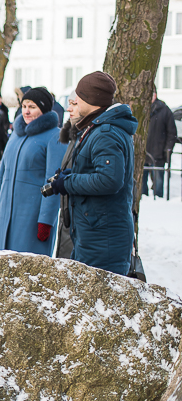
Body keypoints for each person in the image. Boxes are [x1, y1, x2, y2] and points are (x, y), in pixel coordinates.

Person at [49, 72, 136, 275]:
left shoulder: (106, 133)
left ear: (91, 99)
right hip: (96, 234)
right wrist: (73, 173)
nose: (74, 103)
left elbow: (109, 180)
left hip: (103, 239)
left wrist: (68, 182)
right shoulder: (100, 128)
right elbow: (102, 171)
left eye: (78, 97)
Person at [0, 87, 64, 255]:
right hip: (4, 216)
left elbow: (54, 181)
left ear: (43, 109)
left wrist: (46, 221)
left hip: (30, 219)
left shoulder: (55, 136)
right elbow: (1, 177)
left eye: (32, 107)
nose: (26, 111)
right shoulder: (16, 134)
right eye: (24, 106)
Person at [143, 90, 176, 198]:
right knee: (141, 186)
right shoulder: (142, 109)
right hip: (143, 153)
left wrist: (167, 150)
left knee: (158, 184)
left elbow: (172, 133)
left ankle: (158, 201)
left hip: (158, 153)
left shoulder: (164, 110)